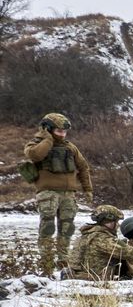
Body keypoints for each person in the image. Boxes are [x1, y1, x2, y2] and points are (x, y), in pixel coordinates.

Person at [24, 113, 93, 275]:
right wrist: (47, 139)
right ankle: (47, 266)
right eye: (58, 130)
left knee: (67, 229)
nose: (62, 134)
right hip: (48, 193)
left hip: (68, 194)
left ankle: (63, 264)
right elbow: (35, 155)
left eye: (64, 131)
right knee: (47, 228)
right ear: (48, 128)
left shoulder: (70, 147)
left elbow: (83, 167)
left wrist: (87, 189)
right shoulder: (36, 144)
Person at [66, 205, 133, 281]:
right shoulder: (103, 239)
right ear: (110, 222)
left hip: (79, 276)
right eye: (116, 221)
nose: (118, 225)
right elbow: (132, 254)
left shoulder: (86, 235)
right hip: (93, 279)